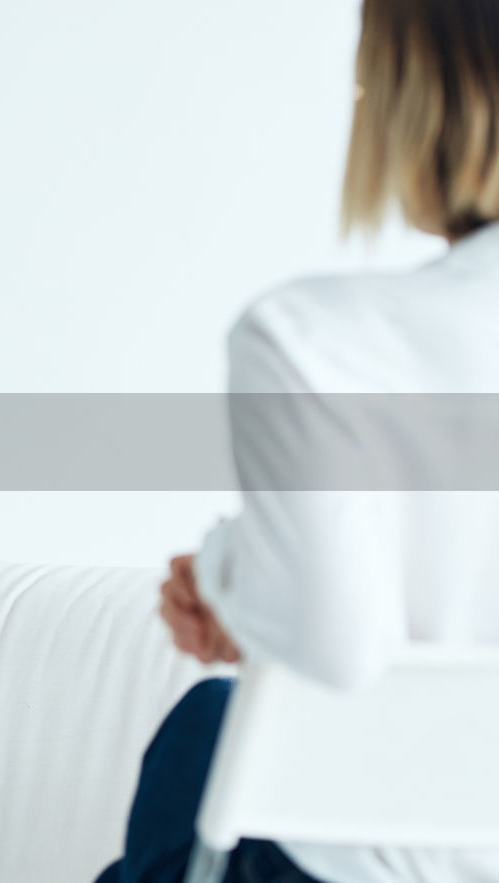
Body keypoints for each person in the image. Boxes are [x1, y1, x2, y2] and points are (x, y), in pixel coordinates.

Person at [97, 1, 499, 880]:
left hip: (371, 859)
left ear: (422, 97)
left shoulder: (315, 339)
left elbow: (335, 646)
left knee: (206, 732)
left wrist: (230, 576)